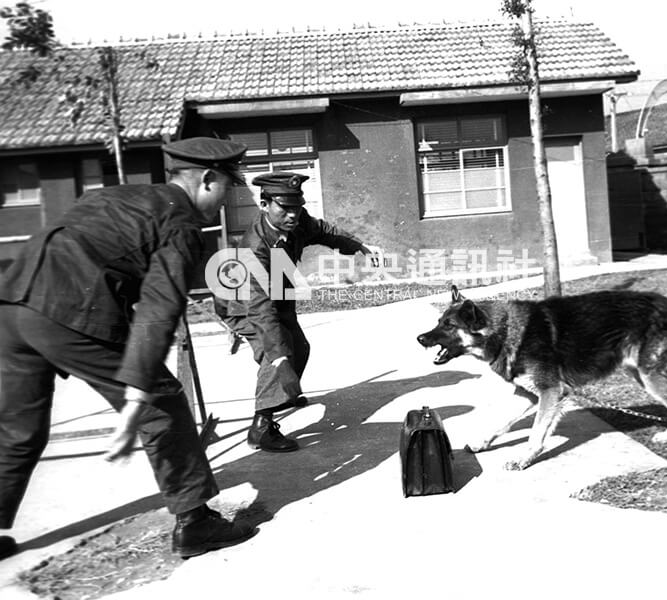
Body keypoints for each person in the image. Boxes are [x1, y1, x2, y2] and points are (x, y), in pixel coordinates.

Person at [0, 137, 256, 561]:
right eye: (229, 187)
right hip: (67, 306)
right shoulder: (181, 223)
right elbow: (159, 306)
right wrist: (137, 391)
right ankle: (195, 522)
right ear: (208, 179)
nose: (227, 201)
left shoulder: (125, 194)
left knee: (15, 428)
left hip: (11, 302)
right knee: (162, 403)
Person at [217, 172, 381, 453]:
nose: (293, 215)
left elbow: (324, 231)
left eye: (297, 207)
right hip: (242, 303)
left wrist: (357, 247)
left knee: (300, 347)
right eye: (285, 208)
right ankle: (261, 428)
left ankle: (281, 394)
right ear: (265, 204)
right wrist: (281, 363)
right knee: (279, 351)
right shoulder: (254, 248)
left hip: (278, 292)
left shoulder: (296, 220)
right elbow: (260, 309)